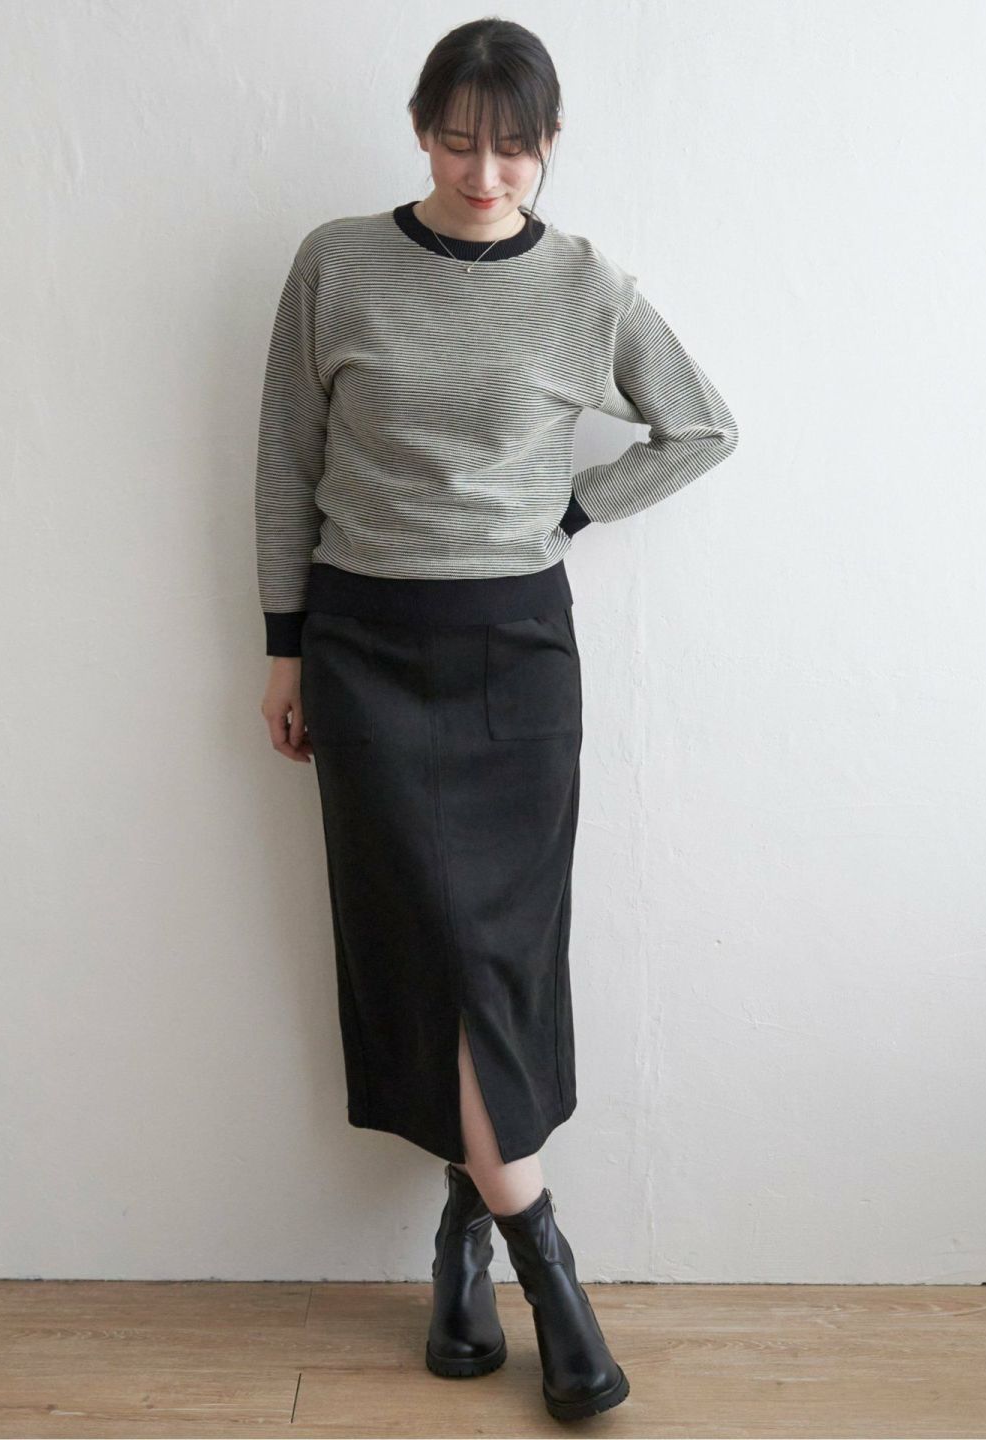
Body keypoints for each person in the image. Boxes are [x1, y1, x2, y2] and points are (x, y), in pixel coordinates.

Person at [255, 17, 738, 1422]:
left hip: (517, 659)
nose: (484, 174)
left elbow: (702, 426)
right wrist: (283, 648)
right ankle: (543, 1268)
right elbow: (286, 462)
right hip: (363, 647)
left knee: (495, 964)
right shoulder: (337, 262)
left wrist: (571, 510)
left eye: (513, 147)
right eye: (458, 141)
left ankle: (469, 1246)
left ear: (549, 143)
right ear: (420, 130)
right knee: (426, 953)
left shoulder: (587, 286)